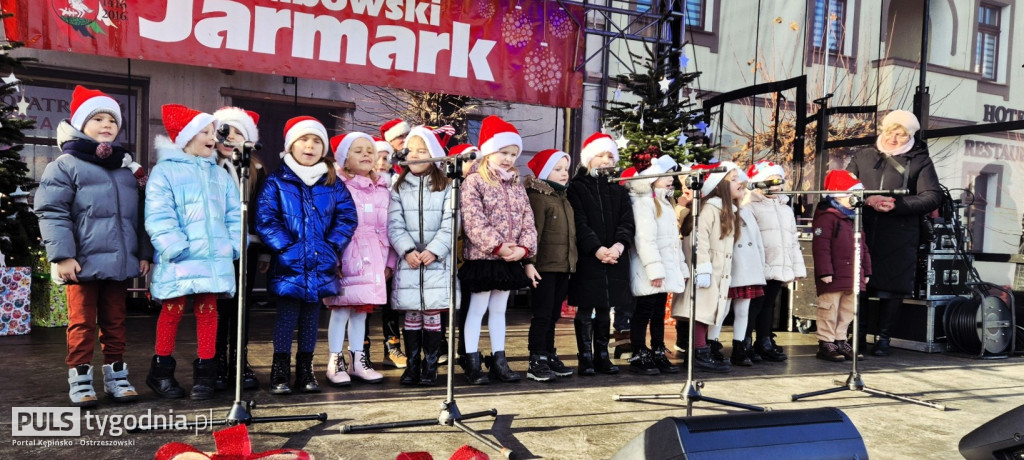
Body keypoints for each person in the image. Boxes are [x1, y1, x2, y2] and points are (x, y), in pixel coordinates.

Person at [35, 85, 152, 406]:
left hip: (118, 263)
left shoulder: (126, 168)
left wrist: (143, 253)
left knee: (116, 321)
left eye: (112, 120)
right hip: (81, 264)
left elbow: (140, 215)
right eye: (98, 118)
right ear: (81, 124)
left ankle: (116, 375)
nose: (107, 125)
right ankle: (81, 378)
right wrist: (62, 255)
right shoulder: (65, 165)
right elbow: (52, 210)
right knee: (82, 323)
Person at [144, 104, 241, 400]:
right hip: (181, 258)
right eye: (205, 132)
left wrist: (233, 245)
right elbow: (159, 213)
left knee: (208, 312)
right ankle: (160, 371)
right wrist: (174, 246)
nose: (213, 137)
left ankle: (205, 373)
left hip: (213, 259)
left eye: (214, 132)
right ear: (185, 137)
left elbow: (234, 214)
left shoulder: (220, 175)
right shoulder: (164, 172)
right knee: (172, 311)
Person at [257, 116, 357, 394]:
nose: (310, 146)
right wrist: (287, 248)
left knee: (312, 319)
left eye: (316, 141)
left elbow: (347, 216)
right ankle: (279, 371)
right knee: (287, 317)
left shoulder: (332, 182)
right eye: (304, 140)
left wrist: (331, 245)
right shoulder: (277, 180)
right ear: (291, 146)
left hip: (320, 262)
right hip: (290, 263)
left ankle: (305, 370)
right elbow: (266, 218)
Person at [846, 110, 942, 356]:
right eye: (890, 132)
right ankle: (857, 334)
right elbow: (843, 187)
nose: (893, 138)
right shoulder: (863, 156)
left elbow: (932, 197)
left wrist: (897, 205)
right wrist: (868, 202)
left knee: (893, 287)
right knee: (859, 285)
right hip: (862, 229)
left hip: (899, 233)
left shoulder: (920, 160)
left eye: (901, 135)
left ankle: (884, 337)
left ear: (909, 136)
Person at [459, 115, 537, 385]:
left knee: (499, 310)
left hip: (509, 258)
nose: (508, 158)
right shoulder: (474, 182)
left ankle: (499, 360)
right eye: (503, 152)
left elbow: (528, 219)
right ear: (489, 151)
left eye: (513, 154)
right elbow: (473, 220)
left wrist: (523, 249)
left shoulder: (515, 185)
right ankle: (471, 360)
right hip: (484, 257)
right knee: (477, 308)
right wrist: (499, 246)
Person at [323, 132, 397, 385]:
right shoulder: (337, 186)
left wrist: (389, 262)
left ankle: (358, 359)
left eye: (369, 150)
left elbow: (389, 226)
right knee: (341, 309)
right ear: (344, 158)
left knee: (361, 312)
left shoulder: (383, 188)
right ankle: (335, 359)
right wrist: (332, 259)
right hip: (347, 254)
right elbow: (329, 224)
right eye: (358, 150)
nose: (366, 154)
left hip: (375, 255)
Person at [388, 126, 455, 386]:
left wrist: (435, 250)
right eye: (411, 150)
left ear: (435, 153)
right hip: (410, 262)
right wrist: (406, 250)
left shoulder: (446, 185)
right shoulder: (398, 185)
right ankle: (412, 366)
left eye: (422, 150)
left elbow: (451, 221)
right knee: (412, 314)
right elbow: (393, 222)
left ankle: (430, 366)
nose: (415, 155)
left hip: (435, 262)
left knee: (433, 315)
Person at [566, 133, 634, 376]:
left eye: (610, 156)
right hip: (589, 256)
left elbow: (627, 221)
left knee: (606, 307)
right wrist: (596, 249)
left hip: (614, 256)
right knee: (586, 307)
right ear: (588, 159)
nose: (606, 161)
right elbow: (579, 222)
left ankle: (602, 355)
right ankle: (585, 356)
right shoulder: (576, 187)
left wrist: (618, 246)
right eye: (601, 155)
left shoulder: (619, 190)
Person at [211, 106, 269, 391]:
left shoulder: (255, 170)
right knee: (219, 306)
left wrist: (265, 249)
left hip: (247, 247)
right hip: (215, 248)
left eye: (238, 132)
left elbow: (262, 212)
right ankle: (216, 362)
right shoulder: (206, 165)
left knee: (241, 307)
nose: (230, 137)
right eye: (226, 130)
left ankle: (239, 361)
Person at [677, 161, 746, 373]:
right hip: (705, 269)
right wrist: (703, 267)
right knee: (700, 311)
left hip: (716, 269)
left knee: (707, 312)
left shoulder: (727, 210)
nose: (739, 183)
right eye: (733, 180)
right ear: (719, 186)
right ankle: (699, 352)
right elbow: (700, 238)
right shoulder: (709, 208)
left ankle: (700, 350)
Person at [623, 155, 687, 375]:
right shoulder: (644, 202)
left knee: (658, 312)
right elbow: (645, 240)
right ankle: (639, 350)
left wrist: (681, 268)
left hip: (664, 268)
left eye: (670, 175)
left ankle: (658, 349)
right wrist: (654, 270)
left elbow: (672, 243)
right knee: (644, 311)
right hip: (648, 268)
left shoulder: (665, 203)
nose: (670, 180)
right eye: (664, 176)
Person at [523, 149, 577, 382]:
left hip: (562, 266)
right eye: (558, 169)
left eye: (565, 169)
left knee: (554, 314)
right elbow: (533, 232)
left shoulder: (562, 198)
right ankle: (537, 358)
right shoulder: (538, 197)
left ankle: (549, 352)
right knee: (542, 314)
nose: (564, 174)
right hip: (544, 266)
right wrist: (530, 262)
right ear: (545, 171)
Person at [744, 161, 805, 362]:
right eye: (771, 182)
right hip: (759, 266)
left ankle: (764, 340)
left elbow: (792, 240)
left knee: (769, 305)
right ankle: (744, 341)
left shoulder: (785, 208)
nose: (776, 187)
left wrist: (795, 267)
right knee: (754, 305)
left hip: (778, 265)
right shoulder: (749, 206)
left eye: (779, 182)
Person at [707, 170, 765, 367]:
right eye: (733, 180)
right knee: (721, 310)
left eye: (740, 179)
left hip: (747, 268)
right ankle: (711, 344)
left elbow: (757, 243)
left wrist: (760, 266)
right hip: (729, 268)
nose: (740, 183)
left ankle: (739, 346)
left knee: (743, 310)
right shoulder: (718, 211)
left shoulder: (746, 212)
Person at [812, 170, 872, 361]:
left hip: (853, 274)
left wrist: (866, 270)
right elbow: (821, 246)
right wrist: (825, 271)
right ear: (839, 195)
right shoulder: (827, 216)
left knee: (848, 310)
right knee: (829, 308)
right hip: (834, 274)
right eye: (853, 195)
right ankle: (826, 341)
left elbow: (863, 246)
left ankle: (840, 338)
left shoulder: (854, 218)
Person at [375, 118, 412, 369]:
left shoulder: (401, 172)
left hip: (398, 247)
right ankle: (362, 350)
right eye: (399, 136)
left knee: (395, 300)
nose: (404, 140)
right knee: (365, 303)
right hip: (369, 250)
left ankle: (396, 345)